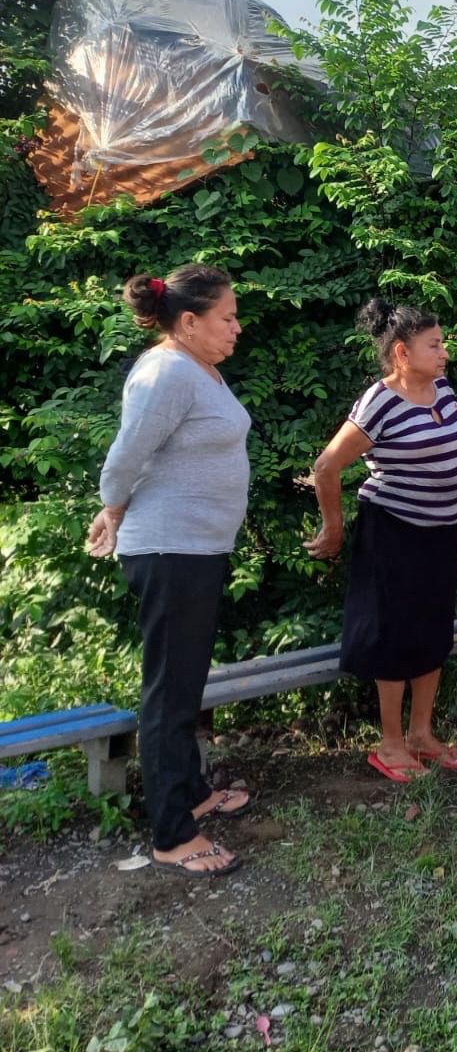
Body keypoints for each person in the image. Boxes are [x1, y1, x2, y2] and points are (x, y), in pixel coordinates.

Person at [90, 265, 255, 878]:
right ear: (188, 322)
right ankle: (172, 833)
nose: (237, 328)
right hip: (170, 550)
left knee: (185, 682)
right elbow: (127, 454)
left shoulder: (197, 368)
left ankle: (191, 792)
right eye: (227, 318)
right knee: (169, 690)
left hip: (195, 549)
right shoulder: (165, 373)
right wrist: (112, 509)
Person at [306, 300, 457, 783]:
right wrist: (333, 528)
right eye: (435, 345)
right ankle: (390, 744)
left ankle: (421, 734)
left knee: (433, 630)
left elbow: (455, 451)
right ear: (402, 353)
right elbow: (326, 466)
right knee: (393, 635)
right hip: (393, 534)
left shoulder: (441, 389)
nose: (445, 353)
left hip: (441, 533)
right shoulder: (380, 402)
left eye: (442, 343)